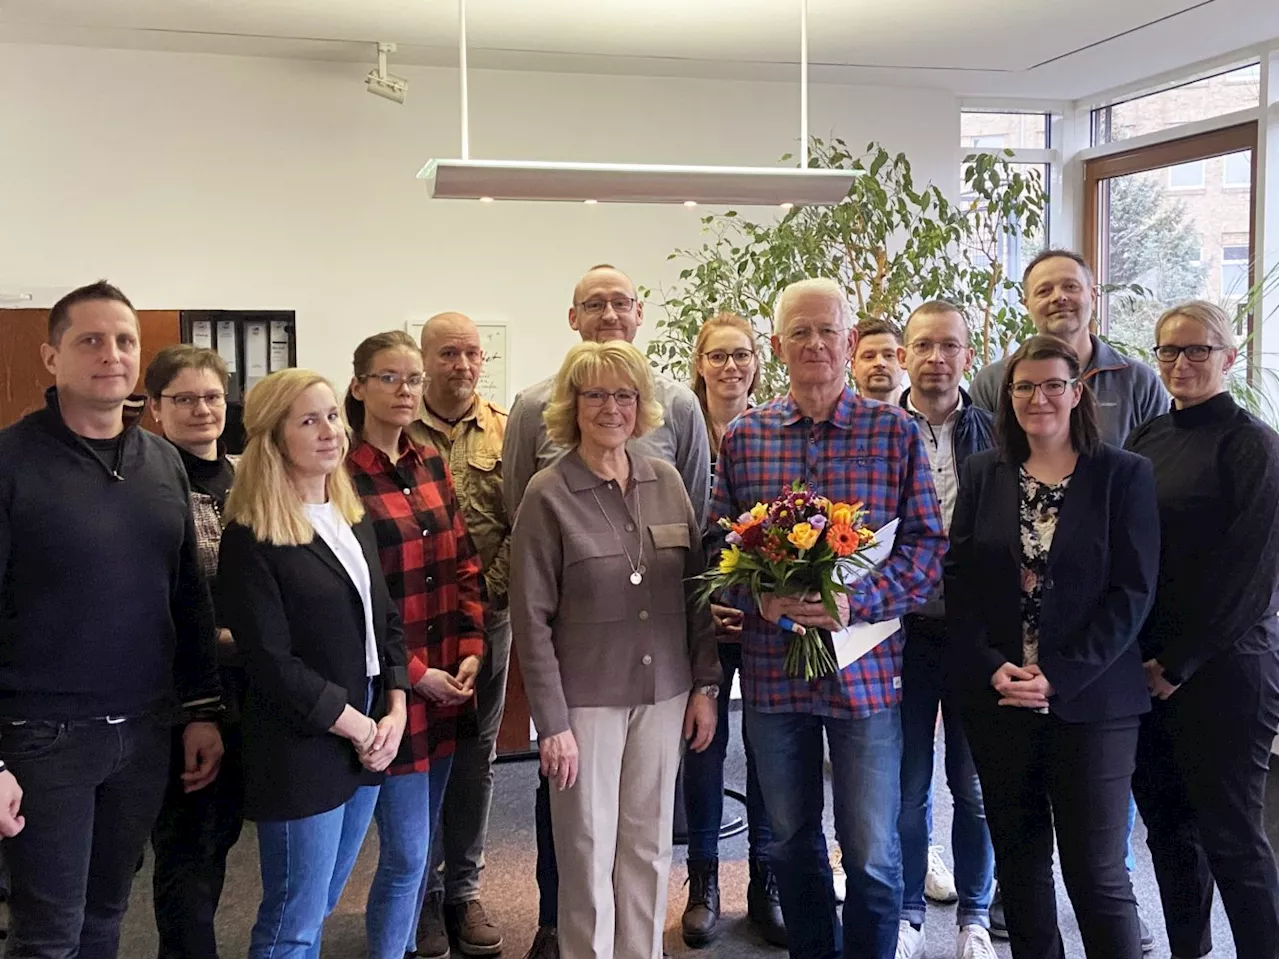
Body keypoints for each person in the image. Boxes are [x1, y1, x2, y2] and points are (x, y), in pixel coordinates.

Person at [710, 278, 947, 959]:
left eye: (827, 331)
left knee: (872, 849)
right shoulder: (745, 438)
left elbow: (929, 547)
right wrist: (760, 594)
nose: (815, 344)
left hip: (867, 677)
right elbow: (719, 540)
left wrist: (858, 601)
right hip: (772, 673)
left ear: (849, 341)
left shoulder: (895, 432)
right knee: (788, 838)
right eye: (800, 333)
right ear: (777, 346)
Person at [0, 281, 224, 959]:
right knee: (46, 934)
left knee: (106, 915)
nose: (112, 354)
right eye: (89, 339)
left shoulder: (158, 460)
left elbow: (187, 597)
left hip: (145, 732)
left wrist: (202, 708)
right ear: (51, 357)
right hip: (42, 739)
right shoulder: (11, 463)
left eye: (124, 339)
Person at [503, 264, 711, 959]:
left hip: (663, 691)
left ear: (642, 405)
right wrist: (551, 723)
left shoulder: (668, 479)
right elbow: (530, 616)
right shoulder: (546, 492)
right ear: (571, 404)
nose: (611, 408)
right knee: (586, 849)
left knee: (648, 844)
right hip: (585, 700)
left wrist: (706, 685)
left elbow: (697, 589)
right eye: (595, 395)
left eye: (625, 395)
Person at [969, 248, 1166, 947]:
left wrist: (1061, 673)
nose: (1038, 399)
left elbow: (1132, 592)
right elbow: (961, 584)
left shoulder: (1124, 476)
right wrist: (995, 663)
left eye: (1054, 385)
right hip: (1001, 700)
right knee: (1021, 869)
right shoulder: (985, 475)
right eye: (1024, 387)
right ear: (1008, 395)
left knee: (1096, 872)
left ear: (1077, 391)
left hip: (1094, 702)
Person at [218, 368, 410, 957]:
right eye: (309, 420)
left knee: (323, 901)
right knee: (294, 918)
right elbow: (270, 662)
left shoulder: (352, 518)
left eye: (331, 415)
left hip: (371, 734)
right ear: (275, 438)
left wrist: (397, 707)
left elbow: (386, 623)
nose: (330, 431)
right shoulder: (251, 536)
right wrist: (358, 725)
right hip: (304, 746)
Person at [1126, 301, 1280, 959]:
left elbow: (1252, 577)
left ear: (1229, 357)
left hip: (1225, 674)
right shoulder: (1147, 438)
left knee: (1231, 834)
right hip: (1142, 672)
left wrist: (1176, 664)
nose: (1181, 363)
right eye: (1168, 350)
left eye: (1196, 350)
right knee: (1168, 831)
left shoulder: (1255, 445)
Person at [344, 332, 489, 958]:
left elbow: (463, 564)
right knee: (405, 855)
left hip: (446, 685)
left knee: (422, 843)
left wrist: (473, 648)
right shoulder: (338, 475)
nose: (405, 390)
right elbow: (350, 602)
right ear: (358, 387)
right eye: (388, 378)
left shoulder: (430, 463)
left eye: (411, 380)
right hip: (391, 690)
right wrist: (418, 671)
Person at [893, 302, 997, 959]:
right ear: (903, 354)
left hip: (974, 634)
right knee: (906, 784)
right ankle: (906, 914)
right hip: (899, 633)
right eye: (923, 344)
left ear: (967, 354)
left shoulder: (996, 429)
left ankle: (974, 919)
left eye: (949, 345)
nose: (936, 356)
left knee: (975, 785)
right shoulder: (874, 430)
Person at [679, 312, 785, 949]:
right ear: (699, 363)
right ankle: (703, 883)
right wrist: (707, 605)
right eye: (717, 356)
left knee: (771, 751)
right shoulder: (673, 429)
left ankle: (765, 883)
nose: (730, 367)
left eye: (741, 355)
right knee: (704, 748)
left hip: (768, 621)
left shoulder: (774, 433)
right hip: (701, 621)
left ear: (756, 361)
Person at [408, 312, 511, 959]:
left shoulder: (504, 429)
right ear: (424, 358)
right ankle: (415, 893)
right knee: (412, 762)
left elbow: (519, 521)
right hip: (411, 631)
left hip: (486, 622)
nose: (465, 364)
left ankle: (462, 891)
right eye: (449, 352)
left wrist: (483, 602)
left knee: (476, 757)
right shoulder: (390, 428)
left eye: (473, 353)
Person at [146, 345, 245, 959]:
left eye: (211, 397)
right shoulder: (148, 482)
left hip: (248, 689)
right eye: (183, 399)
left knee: (223, 837)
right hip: (183, 695)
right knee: (189, 848)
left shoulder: (244, 474)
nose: (201, 409)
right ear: (155, 408)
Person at [851, 319, 907, 403]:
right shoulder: (838, 415)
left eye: (889, 355)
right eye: (869, 357)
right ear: (853, 367)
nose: (879, 363)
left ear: (903, 361)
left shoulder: (927, 414)